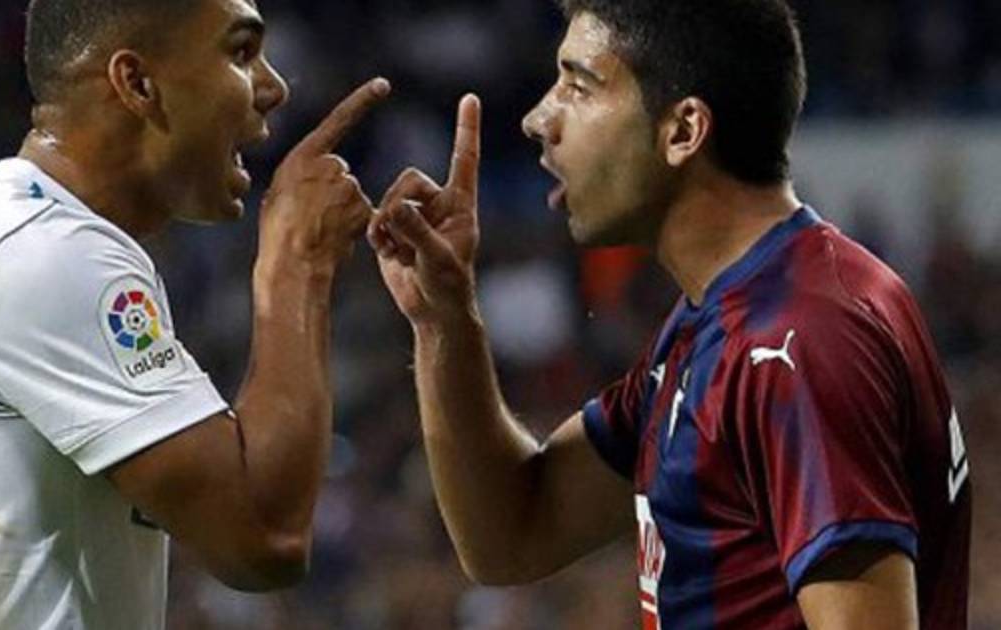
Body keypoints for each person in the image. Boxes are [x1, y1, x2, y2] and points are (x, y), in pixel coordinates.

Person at [368, 0, 970, 628]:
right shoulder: (723, 317)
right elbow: (514, 534)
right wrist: (443, 318)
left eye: (579, 86)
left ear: (683, 131)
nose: (538, 118)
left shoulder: (800, 340)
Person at [0, 0, 391, 627]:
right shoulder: (52, 255)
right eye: (240, 52)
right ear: (137, 83)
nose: (275, 86)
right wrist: (299, 260)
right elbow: (264, 539)